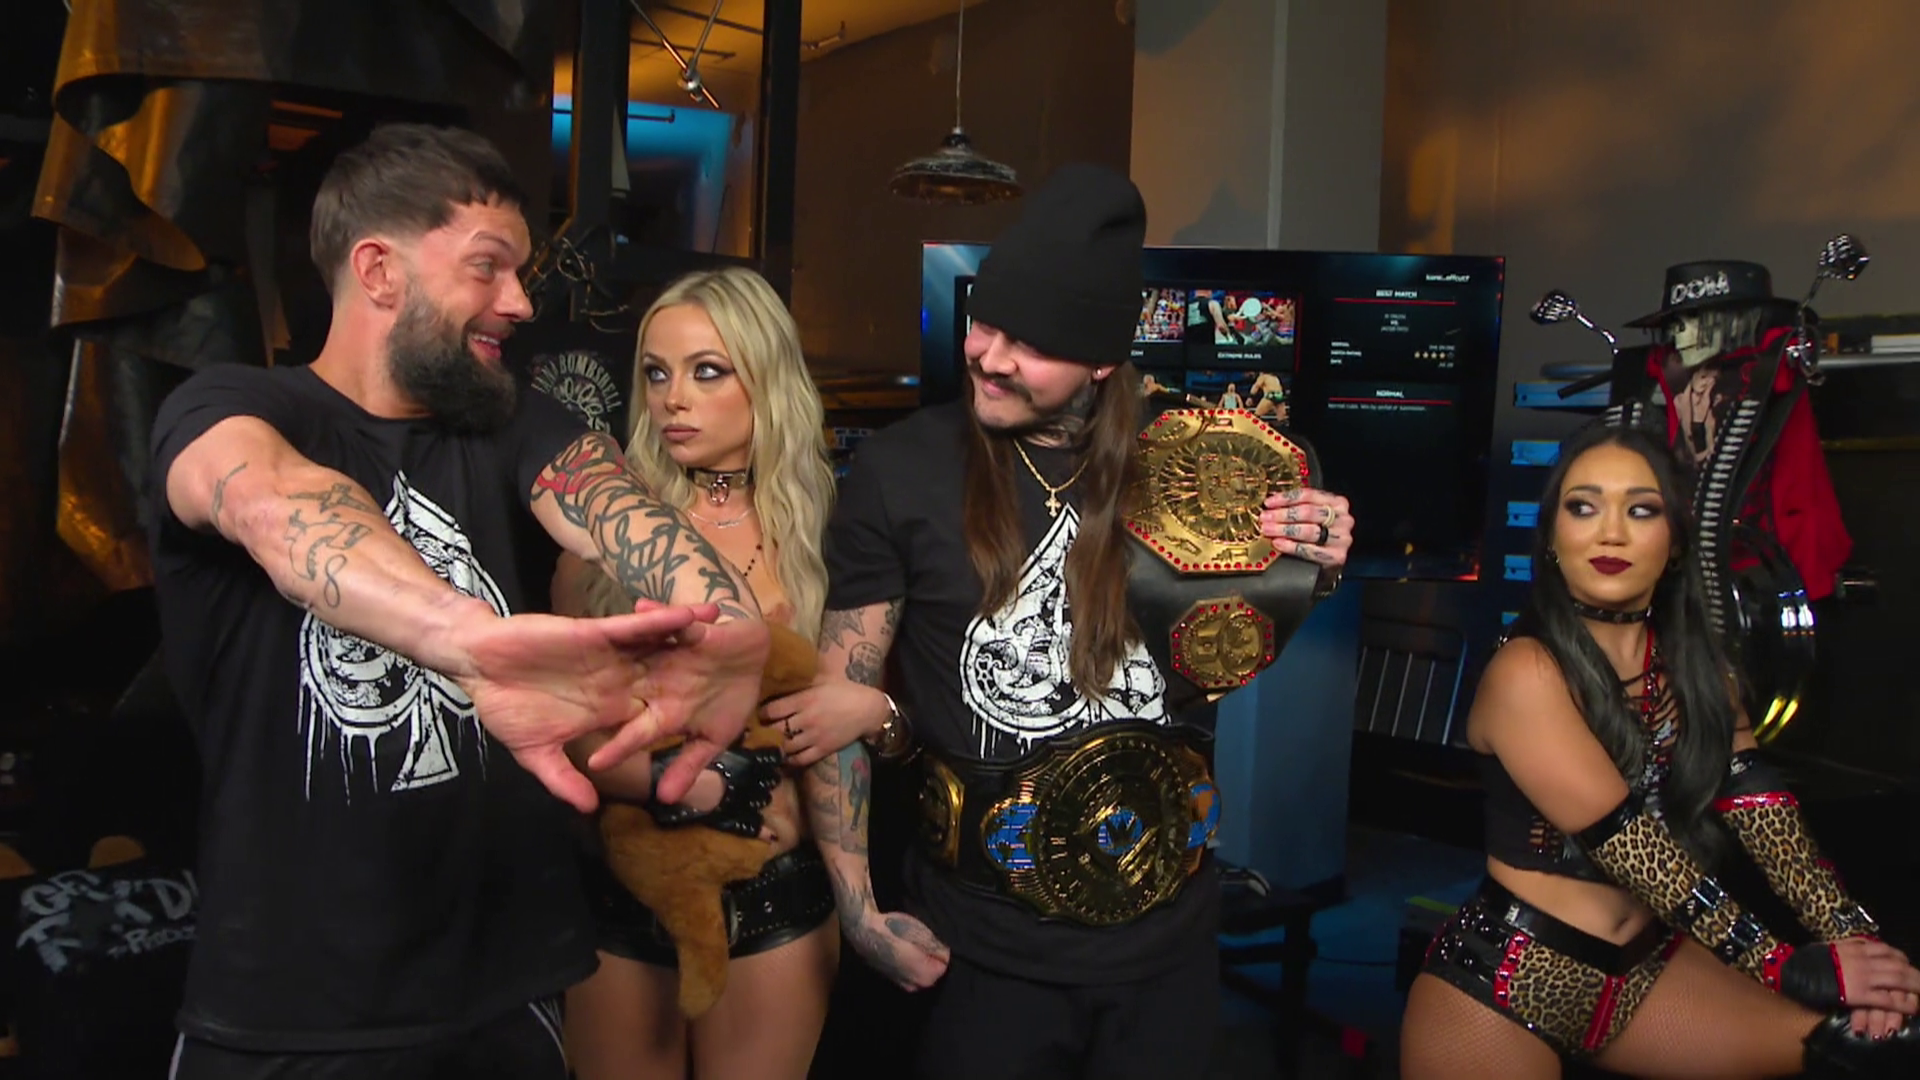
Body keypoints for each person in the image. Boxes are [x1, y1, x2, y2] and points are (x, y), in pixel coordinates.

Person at [148, 122, 771, 1079]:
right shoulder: (232, 408)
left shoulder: (511, 417)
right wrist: (473, 641)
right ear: (378, 270)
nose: (519, 301)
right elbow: (276, 504)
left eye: (519, 272)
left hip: (506, 992)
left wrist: (727, 620)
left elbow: (616, 508)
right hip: (288, 1013)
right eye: (488, 267)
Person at [763, 163, 1356, 1080]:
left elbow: (1224, 660)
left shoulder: (1201, 465)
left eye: (1031, 344)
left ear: (1103, 361)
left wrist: (1305, 572)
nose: (991, 357)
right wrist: (861, 914)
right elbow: (839, 706)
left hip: (1165, 943)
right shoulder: (903, 470)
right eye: (986, 323)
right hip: (980, 945)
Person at [1399, 421, 1920, 1078]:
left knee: (1876, 1042)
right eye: (1583, 507)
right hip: (1504, 983)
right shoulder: (1527, 673)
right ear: (1553, 537)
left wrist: (1855, 942)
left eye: (1641, 510)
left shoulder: (1696, 669)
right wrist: (1783, 965)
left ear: (1675, 540)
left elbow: (1763, 812)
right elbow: (1634, 849)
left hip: (1646, 971)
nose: (1610, 533)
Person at [556, 267, 846, 1080]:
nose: (672, 399)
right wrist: (717, 788)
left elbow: (868, 715)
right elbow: (566, 734)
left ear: (766, 378)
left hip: (776, 893)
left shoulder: (827, 536)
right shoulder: (605, 533)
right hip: (625, 888)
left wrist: (876, 722)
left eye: (706, 371)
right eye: (656, 373)